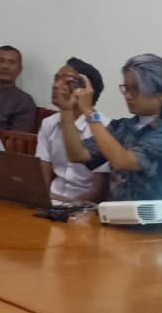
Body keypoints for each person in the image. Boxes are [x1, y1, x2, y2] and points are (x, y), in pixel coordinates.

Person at [61, 53, 162, 202]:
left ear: (161, 93)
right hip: (118, 213)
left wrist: (89, 111)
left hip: (159, 216)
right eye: (126, 88)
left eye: (136, 89)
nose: (128, 96)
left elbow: (122, 161)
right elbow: (78, 154)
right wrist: (66, 110)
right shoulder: (123, 127)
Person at [37, 59, 109, 204]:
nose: (56, 85)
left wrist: (67, 209)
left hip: (84, 207)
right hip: (52, 200)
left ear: (86, 91)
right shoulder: (48, 123)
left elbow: (98, 191)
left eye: (67, 81)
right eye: (56, 79)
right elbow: (41, 173)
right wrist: (41, 201)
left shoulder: (103, 127)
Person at [0, 45, 38, 134]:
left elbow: (16, 138)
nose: (5, 66)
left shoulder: (24, 101)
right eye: (1, 61)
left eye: (12, 62)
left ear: (20, 69)